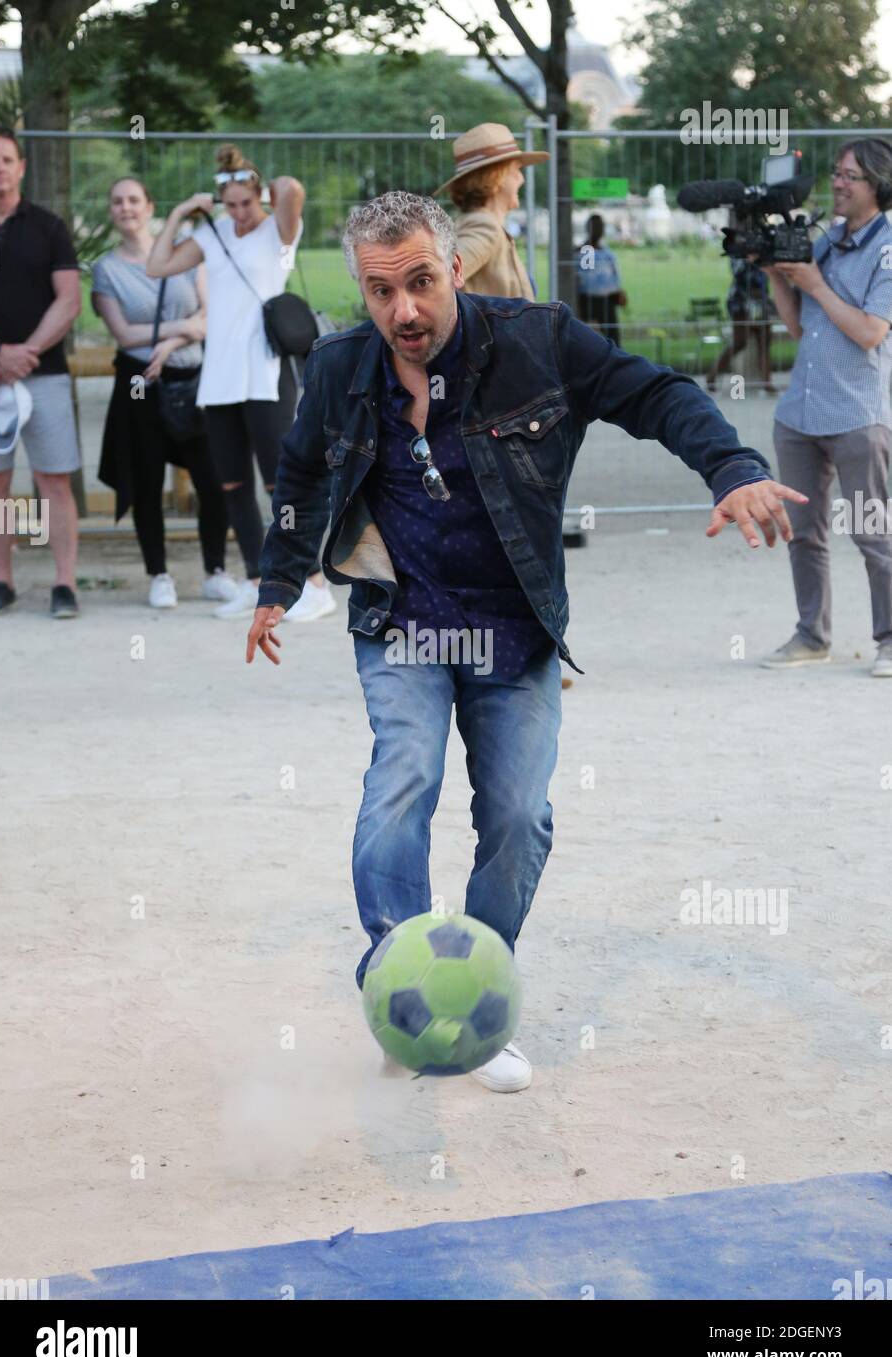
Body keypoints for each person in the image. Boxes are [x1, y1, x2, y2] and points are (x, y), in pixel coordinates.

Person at [244, 191, 805, 1093]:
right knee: (405, 777)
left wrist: (732, 469)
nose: (405, 312)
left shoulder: (539, 341)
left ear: (454, 267)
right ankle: (403, 985)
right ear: (361, 288)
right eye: (382, 292)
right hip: (405, 624)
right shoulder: (343, 366)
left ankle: (473, 998)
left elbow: (655, 392)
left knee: (518, 817)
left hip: (514, 632)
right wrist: (276, 583)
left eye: (421, 283)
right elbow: (304, 470)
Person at [147, 143, 334, 621]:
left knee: (281, 485)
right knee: (231, 484)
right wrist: (183, 212)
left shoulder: (278, 231)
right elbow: (157, 265)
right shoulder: (212, 235)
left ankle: (312, 582)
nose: (239, 214)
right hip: (220, 377)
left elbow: (292, 188)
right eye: (230, 206)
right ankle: (257, 581)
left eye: (246, 203)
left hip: (267, 374)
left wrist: (253, 182)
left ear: (259, 198)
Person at [760, 137, 892, 677]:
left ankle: (890, 641)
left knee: (872, 533)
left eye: (849, 176)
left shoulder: (887, 249)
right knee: (804, 534)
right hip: (800, 414)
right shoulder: (827, 241)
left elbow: (869, 331)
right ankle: (812, 636)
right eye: (836, 173)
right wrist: (775, 274)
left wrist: (814, 281)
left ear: (877, 185)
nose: (836, 183)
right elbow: (798, 326)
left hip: (859, 413)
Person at [92, 176, 236, 608]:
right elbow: (123, 333)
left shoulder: (186, 254)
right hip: (140, 384)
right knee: (146, 479)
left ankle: (216, 569)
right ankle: (159, 574)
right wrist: (180, 329)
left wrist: (173, 342)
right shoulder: (106, 269)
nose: (126, 207)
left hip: (194, 378)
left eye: (134, 199)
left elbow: (211, 316)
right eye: (117, 201)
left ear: (150, 206)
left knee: (213, 478)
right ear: (111, 210)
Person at [0, 126, 82, 618]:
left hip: (44, 374)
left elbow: (69, 299)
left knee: (54, 479)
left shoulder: (47, 226)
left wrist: (26, 352)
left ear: (21, 167)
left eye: (6, 160)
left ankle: (64, 584)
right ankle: (1, 581)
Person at [436, 122, 545, 299]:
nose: (521, 179)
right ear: (497, 177)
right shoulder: (484, 226)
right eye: (516, 170)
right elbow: (438, 277)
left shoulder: (484, 223)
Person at [706, 256, 777, 393]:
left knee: (764, 342)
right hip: (741, 302)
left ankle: (767, 383)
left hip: (761, 301)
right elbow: (738, 271)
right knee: (740, 341)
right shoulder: (738, 250)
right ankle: (712, 376)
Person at [575, 213, 627, 347]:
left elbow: (614, 276)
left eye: (601, 227)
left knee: (613, 342)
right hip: (589, 301)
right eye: (596, 227)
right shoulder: (585, 252)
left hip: (608, 301)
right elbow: (585, 279)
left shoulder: (607, 252)